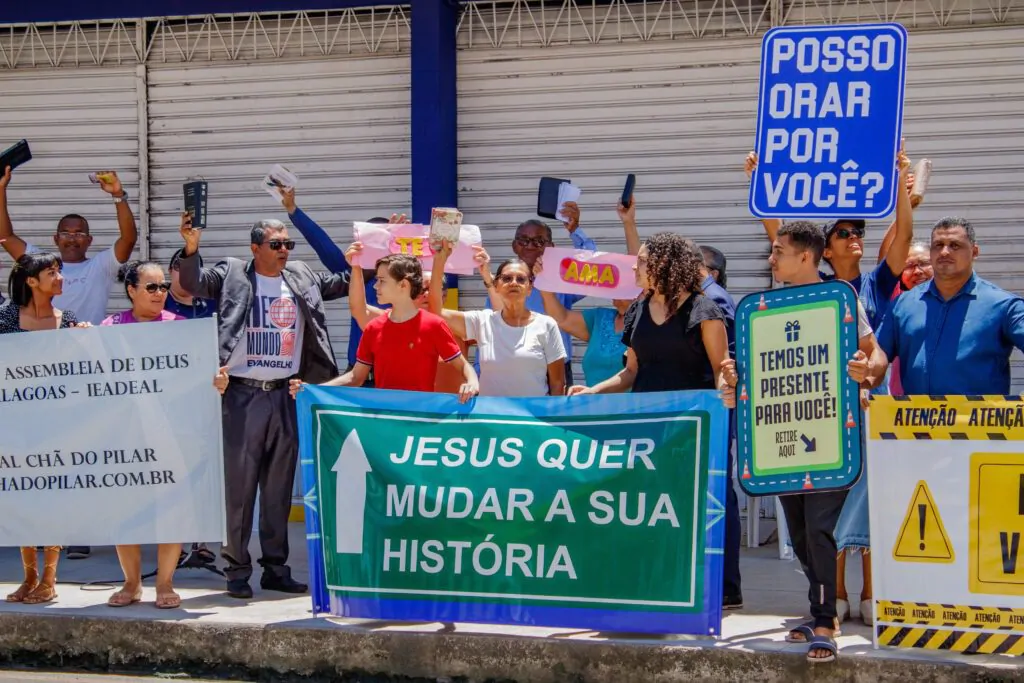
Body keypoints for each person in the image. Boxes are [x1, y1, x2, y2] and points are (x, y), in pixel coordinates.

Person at [719, 221, 887, 664]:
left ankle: (826, 621)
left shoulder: (841, 299)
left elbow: (874, 353)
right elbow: (743, 369)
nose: (771, 260)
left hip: (830, 437)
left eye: (778, 252)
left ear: (806, 258)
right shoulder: (759, 309)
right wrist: (732, 379)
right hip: (781, 440)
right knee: (797, 531)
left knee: (819, 529)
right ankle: (817, 610)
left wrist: (865, 373)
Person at [176, 212, 350, 599]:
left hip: (286, 393)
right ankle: (236, 570)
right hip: (242, 395)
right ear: (255, 248)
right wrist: (191, 247)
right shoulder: (234, 272)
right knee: (239, 489)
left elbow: (346, 282)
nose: (285, 250)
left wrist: (376, 249)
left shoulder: (302, 276)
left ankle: (276, 568)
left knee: (278, 487)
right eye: (276, 245)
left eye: (288, 244)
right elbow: (192, 283)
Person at [0, 165, 138, 560]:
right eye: (67, 232)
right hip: (34, 374)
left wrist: (118, 196)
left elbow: (127, 239)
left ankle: (78, 530)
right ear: (55, 238)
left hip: (81, 370)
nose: (73, 238)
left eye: (80, 233)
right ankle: (42, 528)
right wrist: (2, 188)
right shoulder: (37, 265)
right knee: (38, 453)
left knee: (79, 452)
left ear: (89, 239)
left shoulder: (99, 266)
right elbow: (5, 237)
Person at [100, 261, 229, 609]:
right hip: (124, 435)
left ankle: (165, 583)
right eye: (151, 287)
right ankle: (130, 584)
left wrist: (217, 382)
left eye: (162, 287)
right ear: (131, 290)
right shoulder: (109, 328)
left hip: (173, 434)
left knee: (172, 508)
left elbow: (203, 377)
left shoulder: (183, 329)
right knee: (125, 511)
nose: (160, 294)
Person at [0, 252, 81, 604]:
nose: (60, 277)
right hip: (16, 424)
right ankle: (28, 577)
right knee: (22, 497)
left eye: (59, 271)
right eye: (52, 272)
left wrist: (87, 342)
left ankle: (49, 576)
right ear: (32, 281)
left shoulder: (70, 322)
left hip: (59, 425)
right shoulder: (5, 319)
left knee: (53, 500)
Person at [292, 253, 478, 400]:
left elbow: (462, 366)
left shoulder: (434, 325)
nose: (375, 287)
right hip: (384, 421)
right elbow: (355, 378)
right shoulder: (374, 328)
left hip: (422, 420)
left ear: (403, 285)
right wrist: (311, 390)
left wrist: (472, 382)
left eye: (382, 281)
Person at [568, 232, 730, 397]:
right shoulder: (636, 310)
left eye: (642, 261)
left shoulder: (704, 310)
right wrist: (593, 391)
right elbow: (631, 371)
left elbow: (720, 369)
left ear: (664, 264)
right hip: (646, 415)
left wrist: (726, 394)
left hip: (689, 417)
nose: (634, 267)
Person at [877, 217, 1024, 396]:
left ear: (974, 251)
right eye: (938, 245)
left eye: (955, 245)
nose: (945, 252)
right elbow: (879, 354)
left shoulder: (1003, 305)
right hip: (916, 422)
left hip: (979, 423)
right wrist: (868, 372)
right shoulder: (902, 305)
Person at [281, 186, 403, 377]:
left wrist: (405, 239)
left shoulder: (403, 277)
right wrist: (293, 210)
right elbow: (321, 243)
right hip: (357, 369)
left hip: (392, 367)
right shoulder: (354, 275)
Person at [430, 242, 566, 397]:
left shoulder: (547, 325)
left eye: (521, 279)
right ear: (496, 286)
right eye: (507, 278)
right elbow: (436, 313)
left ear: (530, 288)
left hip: (533, 417)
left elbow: (557, 383)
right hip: (491, 417)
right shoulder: (482, 321)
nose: (513, 283)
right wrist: (439, 261)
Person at [482, 203, 594, 385]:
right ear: (514, 246)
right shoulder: (503, 284)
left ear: (551, 246)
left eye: (539, 241)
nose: (530, 246)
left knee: (557, 414)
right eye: (523, 240)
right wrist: (480, 372)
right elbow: (488, 331)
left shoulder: (562, 278)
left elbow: (592, 270)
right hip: (512, 367)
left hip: (556, 368)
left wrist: (575, 231)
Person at [165, 249, 216, 320]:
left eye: (193, 268)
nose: (185, 273)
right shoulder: (157, 301)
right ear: (170, 271)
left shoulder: (214, 302)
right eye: (179, 267)